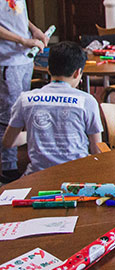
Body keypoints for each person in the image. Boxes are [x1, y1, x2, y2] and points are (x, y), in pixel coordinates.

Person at [1, 41, 103, 175]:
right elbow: (97, 149)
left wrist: (37, 133)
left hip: (37, 177)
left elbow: (8, 142)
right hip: (77, 177)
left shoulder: (25, 99)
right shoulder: (87, 101)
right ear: (78, 73)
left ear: (48, 69)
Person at [0, 0, 49, 184]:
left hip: (22, 55)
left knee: (21, 110)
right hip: (6, 58)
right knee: (7, 115)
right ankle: (8, 169)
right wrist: (21, 40)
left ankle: (19, 161)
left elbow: (16, 11)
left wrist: (33, 30)